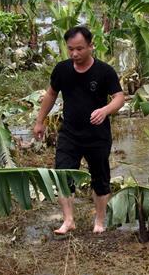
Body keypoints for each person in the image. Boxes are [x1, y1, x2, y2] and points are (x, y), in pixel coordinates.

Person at [33, 26, 125, 235]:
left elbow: (119, 97)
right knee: (63, 175)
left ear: (91, 46)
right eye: (70, 49)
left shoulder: (104, 71)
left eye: (80, 49)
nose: (75, 54)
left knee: (100, 178)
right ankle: (68, 220)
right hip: (69, 133)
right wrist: (40, 121)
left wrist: (105, 110)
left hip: (97, 135)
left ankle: (99, 221)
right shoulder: (62, 69)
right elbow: (51, 94)